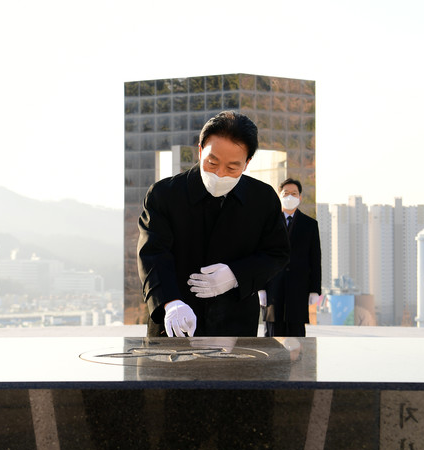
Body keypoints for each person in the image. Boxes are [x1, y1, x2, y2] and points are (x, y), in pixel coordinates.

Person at [137, 111, 290, 337]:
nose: (220, 174)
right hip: (175, 322)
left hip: (234, 325)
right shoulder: (164, 194)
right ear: (200, 151)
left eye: (232, 168)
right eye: (212, 162)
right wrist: (170, 302)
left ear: (247, 163)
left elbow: (277, 253)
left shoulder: (263, 199)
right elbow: (153, 253)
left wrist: (236, 275)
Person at [261, 178, 321, 337]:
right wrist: (260, 288)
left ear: (300, 197)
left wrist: (315, 290)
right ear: (279, 196)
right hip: (273, 289)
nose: (290, 197)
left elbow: (315, 259)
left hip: (298, 289)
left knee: (297, 338)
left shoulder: (310, 225)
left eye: (294, 194)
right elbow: (261, 256)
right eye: (286, 193)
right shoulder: (268, 223)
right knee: (273, 338)